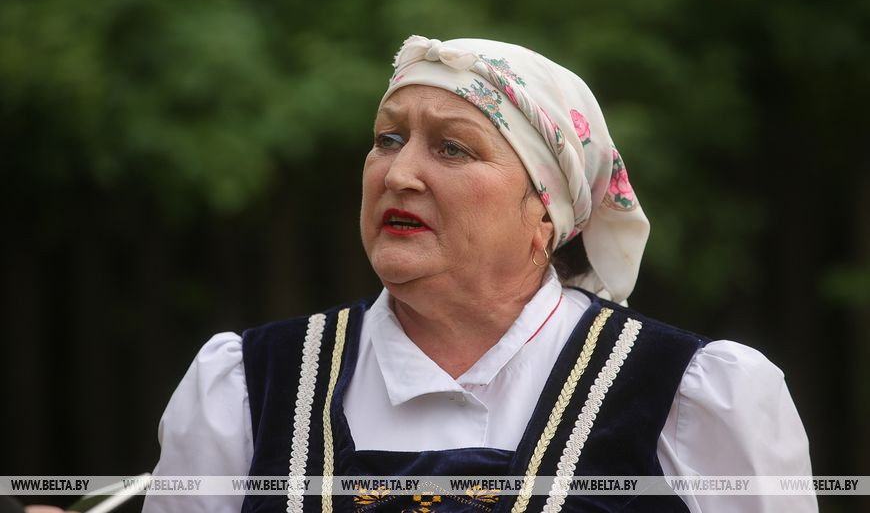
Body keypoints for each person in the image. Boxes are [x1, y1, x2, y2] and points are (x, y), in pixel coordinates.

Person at [142, 35, 816, 513]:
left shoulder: (688, 396)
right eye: (388, 139)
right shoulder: (249, 387)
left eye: (452, 148)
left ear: (545, 214)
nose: (400, 174)